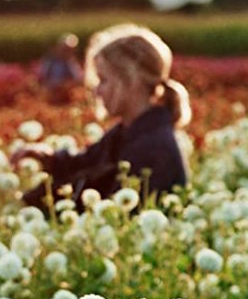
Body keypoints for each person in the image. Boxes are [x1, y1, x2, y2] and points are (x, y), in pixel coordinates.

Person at [19, 24, 191, 209]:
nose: (97, 91)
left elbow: (118, 215)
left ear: (132, 81)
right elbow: (85, 163)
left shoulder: (153, 147)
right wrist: (46, 158)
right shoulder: (127, 133)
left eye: (104, 80)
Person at [38, 33, 83, 104]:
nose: (68, 51)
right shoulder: (49, 61)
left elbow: (78, 79)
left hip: (66, 97)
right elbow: (42, 78)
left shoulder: (71, 63)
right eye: (66, 48)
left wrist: (65, 86)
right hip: (50, 96)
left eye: (70, 49)